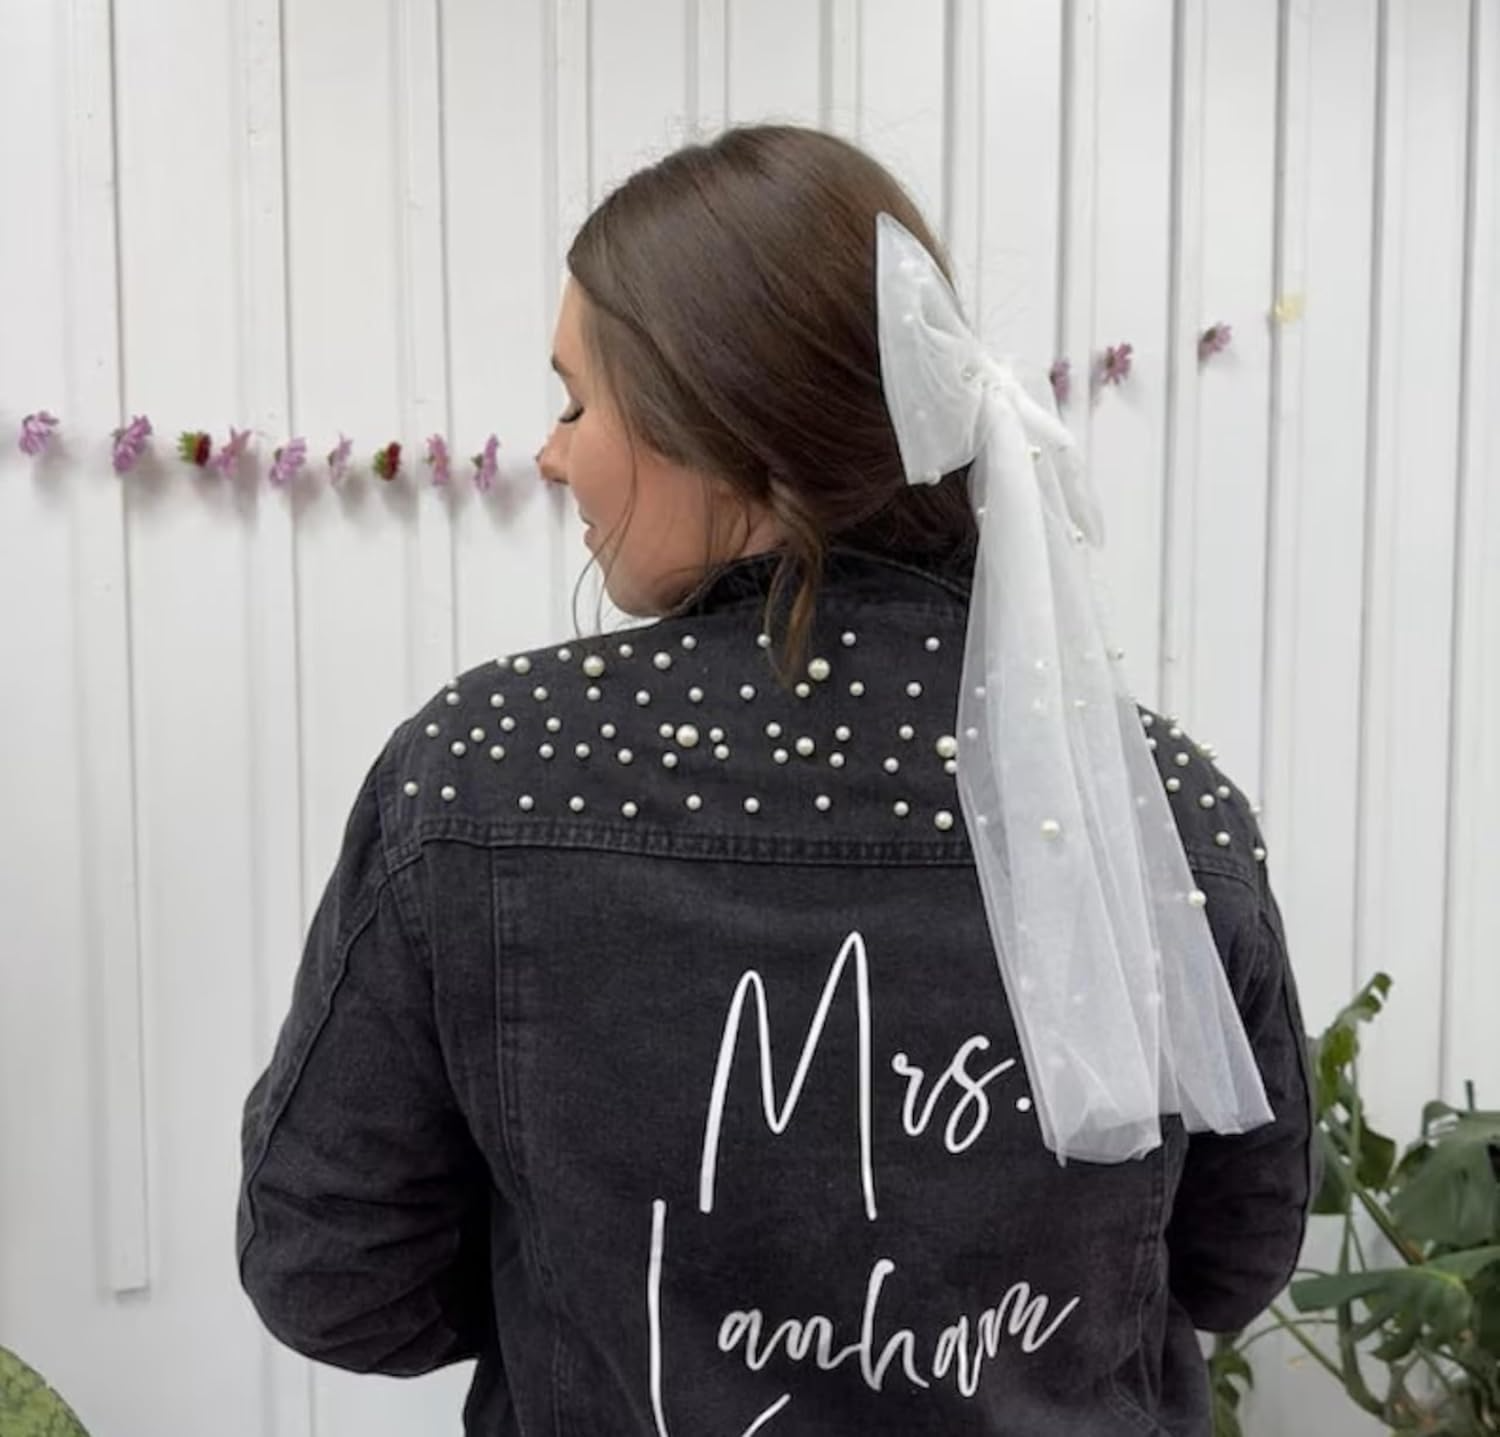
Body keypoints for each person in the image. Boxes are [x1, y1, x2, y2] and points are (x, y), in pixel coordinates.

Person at [237, 124, 1314, 1435]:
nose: (553, 455)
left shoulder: (482, 770)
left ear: (718, 420)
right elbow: (1228, 1262)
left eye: (575, 401)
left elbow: (333, 1274)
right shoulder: (1154, 799)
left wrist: (583, 1295)